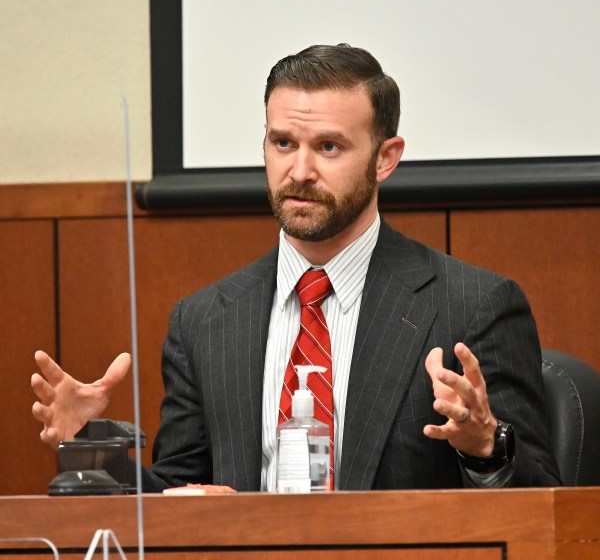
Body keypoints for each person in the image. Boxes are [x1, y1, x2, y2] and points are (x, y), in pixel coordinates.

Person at [32, 44, 561, 492]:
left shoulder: (473, 305)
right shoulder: (204, 320)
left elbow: (548, 503)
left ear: (386, 157)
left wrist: (487, 446)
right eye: (283, 143)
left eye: (329, 147)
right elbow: (179, 496)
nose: (300, 171)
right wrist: (94, 447)